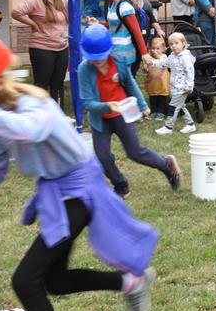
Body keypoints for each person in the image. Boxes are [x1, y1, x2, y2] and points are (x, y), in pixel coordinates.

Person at [0, 33, 157, 311]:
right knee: (55, 281)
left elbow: (29, 130)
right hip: (58, 193)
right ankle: (132, 283)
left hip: (80, 192)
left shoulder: (33, 106)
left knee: (25, 280)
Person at [77, 25, 182, 199]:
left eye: (101, 57)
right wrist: (107, 106)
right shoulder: (84, 70)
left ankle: (166, 165)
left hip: (121, 114)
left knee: (135, 152)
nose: (97, 61)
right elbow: (88, 102)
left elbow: (130, 84)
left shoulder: (118, 62)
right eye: (93, 58)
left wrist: (142, 104)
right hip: (100, 119)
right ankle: (121, 184)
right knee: (102, 157)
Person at [11, 0, 69, 107]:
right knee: (42, 84)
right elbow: (16, 12)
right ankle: (38, 111)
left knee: (58, 83)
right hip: (42, 48)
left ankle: (58, 111)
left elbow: (73, 14)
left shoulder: (62, 1)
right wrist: (32, 23)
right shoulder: (35, 1)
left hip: (62, 48)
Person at [98, 0, 151, 72]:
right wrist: (97, 24)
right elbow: (114, 26)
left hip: (124, 55)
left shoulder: (125, 7)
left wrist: (144, 53)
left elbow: (136, 31)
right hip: (114, 52)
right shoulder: (111, 4)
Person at [152, 31, 197, 135]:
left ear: (183, 44)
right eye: (171, 44)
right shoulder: (172, 56)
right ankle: (190, 124)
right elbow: (163, 63)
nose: (174, 46)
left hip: (183, 88)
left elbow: (190, 72)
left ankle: (168, 127)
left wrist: (189, 85)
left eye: (176, 43)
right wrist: (152, 62)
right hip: (175, 86)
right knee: (180, 107)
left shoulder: (185, 57)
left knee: (173, 107)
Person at [143, 35, 171, 120]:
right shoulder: (149, 57)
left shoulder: (164, 57)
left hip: (162, 82)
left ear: (163, 49)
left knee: (162, 98)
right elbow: (145, 69)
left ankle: (161, 112)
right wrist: (145, 67)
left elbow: (164, 63)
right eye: (153, 48)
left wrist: (157, 56)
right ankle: (154, 111)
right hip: (153, 82)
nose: (155, 50)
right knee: (153, 97)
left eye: (158, 48)